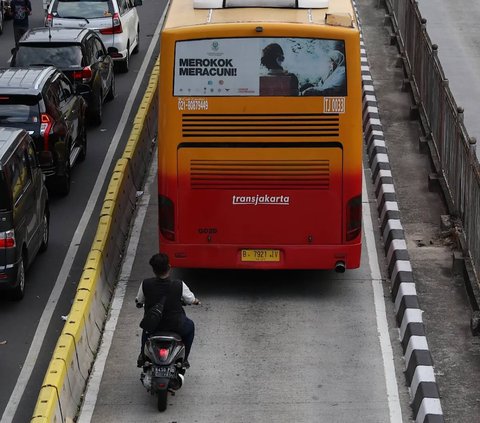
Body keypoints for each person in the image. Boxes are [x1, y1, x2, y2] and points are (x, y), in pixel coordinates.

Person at [135, 253, 200, 368]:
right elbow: (190, 299)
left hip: (154, 326)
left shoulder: (146, 284)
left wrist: (140, 303)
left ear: (154, 270)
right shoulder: (179, 284)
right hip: (176, 324)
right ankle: (184, 359)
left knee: (146, 330)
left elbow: (139, 300)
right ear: (169, 267)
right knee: (190, 327)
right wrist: (196, 301)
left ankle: (142, 355)